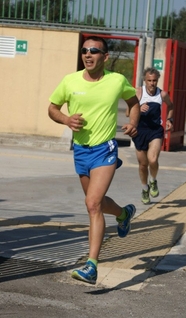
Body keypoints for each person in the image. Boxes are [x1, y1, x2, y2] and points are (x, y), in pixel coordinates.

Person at [48, 36, 140, 285]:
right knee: (96, 204)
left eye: (94, 51)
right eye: (84, 51)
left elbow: (133, 102)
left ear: (105, 57)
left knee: (92, 204)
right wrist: (66, 120)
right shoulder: (70, 80)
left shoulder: (116, 81)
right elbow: (52, 108)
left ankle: (91, 265)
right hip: (80, 150)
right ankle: (123, 214)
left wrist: (133, 122)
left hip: (105, 149)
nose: (88, 55)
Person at [131, 67, 173, 204]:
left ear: (157, 80)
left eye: (154, 80)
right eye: (149, 80)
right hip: (140, 131)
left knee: (153, 159)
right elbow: (127, 112)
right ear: (145, 80)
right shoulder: (138, 92)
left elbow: (171, 106)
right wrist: (138, 106)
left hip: (155, 130)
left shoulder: (162, 95)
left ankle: (153, 180)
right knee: (143, 164)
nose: (152, 83)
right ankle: (144, 188)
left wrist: (169, 120)